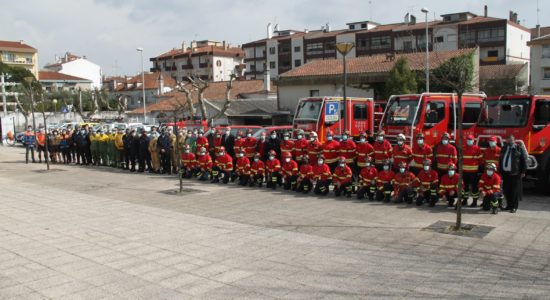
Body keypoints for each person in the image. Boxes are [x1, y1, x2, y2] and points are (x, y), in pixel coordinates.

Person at [498, 135, 527, 213]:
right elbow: (501, 160)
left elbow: (523, 161)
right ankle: (509, 206)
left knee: (514, 191)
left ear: (514, 140)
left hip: (515, 173)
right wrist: (500, 171)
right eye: (508, 140)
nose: (510, 141)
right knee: (507, 190)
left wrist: (523, 171)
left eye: (511, 140)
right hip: (505, 173)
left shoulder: (518, 148)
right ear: (506, 141)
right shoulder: (504, 148)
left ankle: (514, 207)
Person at [462, 135, 483, 207]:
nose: (469, 141)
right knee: (465, 187)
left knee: (474, 187)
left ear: (473, 140)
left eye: (470, 140)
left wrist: (479, 170)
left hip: (474, 172)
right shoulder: (463, 148)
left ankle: (474, 202)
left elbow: (480, 161)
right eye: (468, 139)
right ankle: (465, 200)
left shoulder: (477, 148)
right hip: (465, 172)